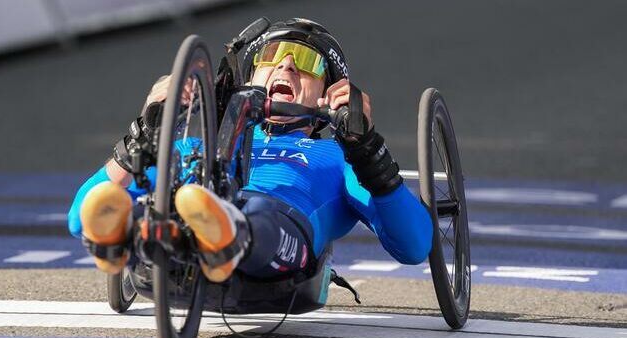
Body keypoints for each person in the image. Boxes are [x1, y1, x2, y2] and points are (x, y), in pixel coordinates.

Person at [68, 18, 433, 283]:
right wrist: (146, 131)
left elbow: (415, 246)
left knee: (257, 210)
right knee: (146, 200)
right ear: (250, 79)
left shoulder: (338, 158)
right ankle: (129, 236)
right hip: (189, 218)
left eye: (308, 62)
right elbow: (76, 216)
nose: (287, 64)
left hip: (277, 234)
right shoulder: (195, 147)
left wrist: (366, 148)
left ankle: (226, 231)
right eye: (273, 55)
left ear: (326, 96)